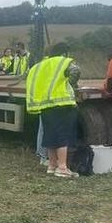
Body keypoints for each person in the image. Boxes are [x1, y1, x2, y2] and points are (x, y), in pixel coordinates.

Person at [26, 42, 80, 178]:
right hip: (62, 103)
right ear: (64, 53)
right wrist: (71, 84)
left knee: (49, 135)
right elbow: (75, 71)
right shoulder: (63, 62)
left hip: (45, 105)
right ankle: (62, 167)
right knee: (63, 135)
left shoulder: (39, 66)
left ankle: (52, 165)